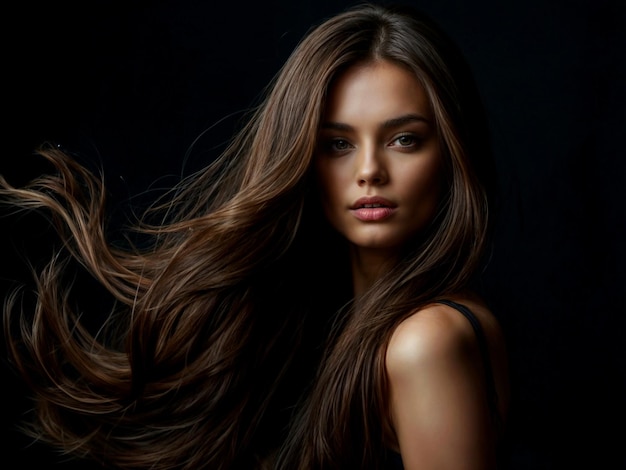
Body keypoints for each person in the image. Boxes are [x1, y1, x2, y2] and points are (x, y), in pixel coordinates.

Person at [1, 2, 509, 469]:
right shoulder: (353, 325)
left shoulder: (426, 340)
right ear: (302, 159)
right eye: (337, 144)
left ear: (452, 153)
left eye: (404, 139)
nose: (369, 170)